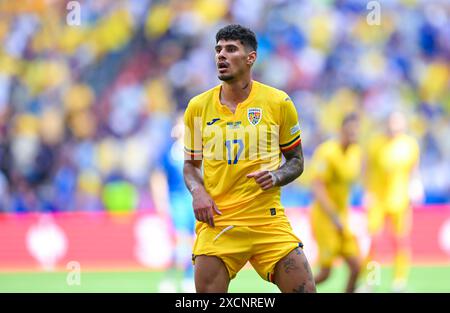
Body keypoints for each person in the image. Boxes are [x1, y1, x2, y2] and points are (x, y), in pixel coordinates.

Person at [183, 24, 316, 293]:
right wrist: (198, 191)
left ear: (250, 58)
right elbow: (190, 166)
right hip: (219, 221)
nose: (221, 55)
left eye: (231, 49)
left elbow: (297, 160)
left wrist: (277, 176)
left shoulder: (278, 102)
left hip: (268, 220)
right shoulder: (198, 107)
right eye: (218, 49)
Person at [364, 111, 422, 292]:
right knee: (374, 242)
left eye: (397, 122)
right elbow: (366, 168)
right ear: (386, 123)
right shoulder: (375, 143)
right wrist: (368, 192)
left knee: (401, 241)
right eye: (391, 122)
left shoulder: (410, 145)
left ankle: (399, 282)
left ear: (403, 124)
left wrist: (416, 186)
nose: (394, 126)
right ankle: (371, 281)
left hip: (400, 200)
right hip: (378, 200)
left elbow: (414, 169)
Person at [310, 114, 362, 293]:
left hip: (342, 217)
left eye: (356, 131)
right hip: (325, 218)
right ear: (341, 130)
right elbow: (317, 187)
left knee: (357, 267)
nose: (353, 135)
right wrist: (333, 216)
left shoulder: (356, 153)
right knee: (325, 274)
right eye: (350, 131)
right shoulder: (327, 152)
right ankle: (291, 289)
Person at [151, 114, 196, 293]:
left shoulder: (196, 151)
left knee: (194, 243)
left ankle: (187, 280)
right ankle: (169, 279)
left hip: (194, 200)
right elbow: (158, 177)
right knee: (181, 242)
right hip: (177, 200)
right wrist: (160, 201)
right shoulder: (168, 152)